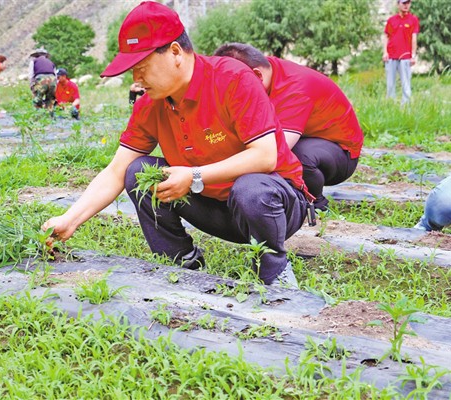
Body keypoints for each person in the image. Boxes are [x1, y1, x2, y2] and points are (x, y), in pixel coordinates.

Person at [42, 1, 314, 288]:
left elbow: (265, 156)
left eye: (142, 67)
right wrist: (70, 219)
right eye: (132, 71)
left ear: (175, 52)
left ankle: (275, 272)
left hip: (273, 206)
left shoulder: (232, 79)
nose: (137, 80)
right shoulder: (151, 104)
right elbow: (115, 171)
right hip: (213, 204)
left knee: (250, 187)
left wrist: (194, 175)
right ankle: (183, 265)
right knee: (137, 172)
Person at [213, 43, 364, 211]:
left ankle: (315, 202)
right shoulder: (262, 72)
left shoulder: (294, 88)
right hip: (306, 137)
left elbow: (275, 151)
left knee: (292, 156)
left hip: (341, 152)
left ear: (257, 75)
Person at [383, 0, 420, 105]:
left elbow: (414, 38)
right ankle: (390, 106)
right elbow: (386, 36)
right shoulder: (391, 20)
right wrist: (385, 52)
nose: (406, 5)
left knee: (406, 84)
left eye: (408, 3)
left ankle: (406, 108)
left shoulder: (413, 20)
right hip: (391, 57)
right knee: (390, 84)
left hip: (405, 57)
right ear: (398, 4)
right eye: (404, 3)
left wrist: (413, 55)